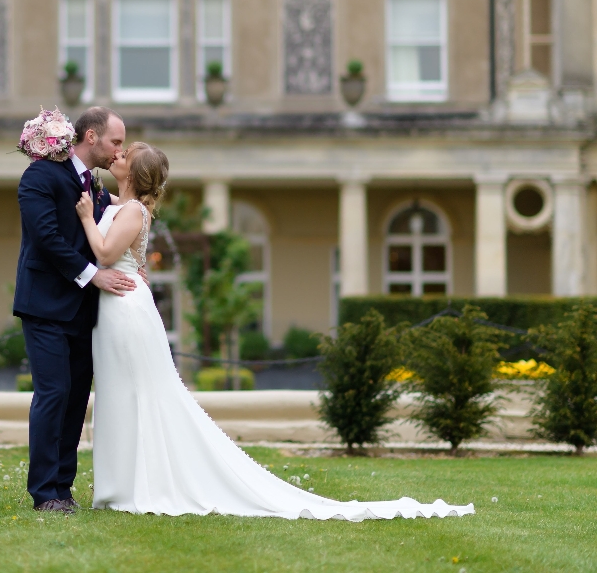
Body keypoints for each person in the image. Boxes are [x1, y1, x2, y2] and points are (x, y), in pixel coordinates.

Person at [76, 142, 475, 521]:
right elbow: (112, 219)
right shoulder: (124, 205)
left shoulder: (130, 212)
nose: (119, 154)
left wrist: (83, 217)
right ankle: (124, 485)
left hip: (125, 308)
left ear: (136, 172)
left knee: (138, 393)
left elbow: (106, 254)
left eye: (126, 154)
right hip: (119, 307)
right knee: (122, 393)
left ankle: (134, 486)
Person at [13, 106, 135, 514]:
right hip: (45, 306)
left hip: (85, 312)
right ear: (91, 138)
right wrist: (92, 276)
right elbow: (45, 237)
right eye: (116, 142)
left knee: (77, 398)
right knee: (53, 394)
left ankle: (64, 489)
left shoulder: (95, 186)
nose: (119, 151)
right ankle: (45, 493)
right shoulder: (39, 177)